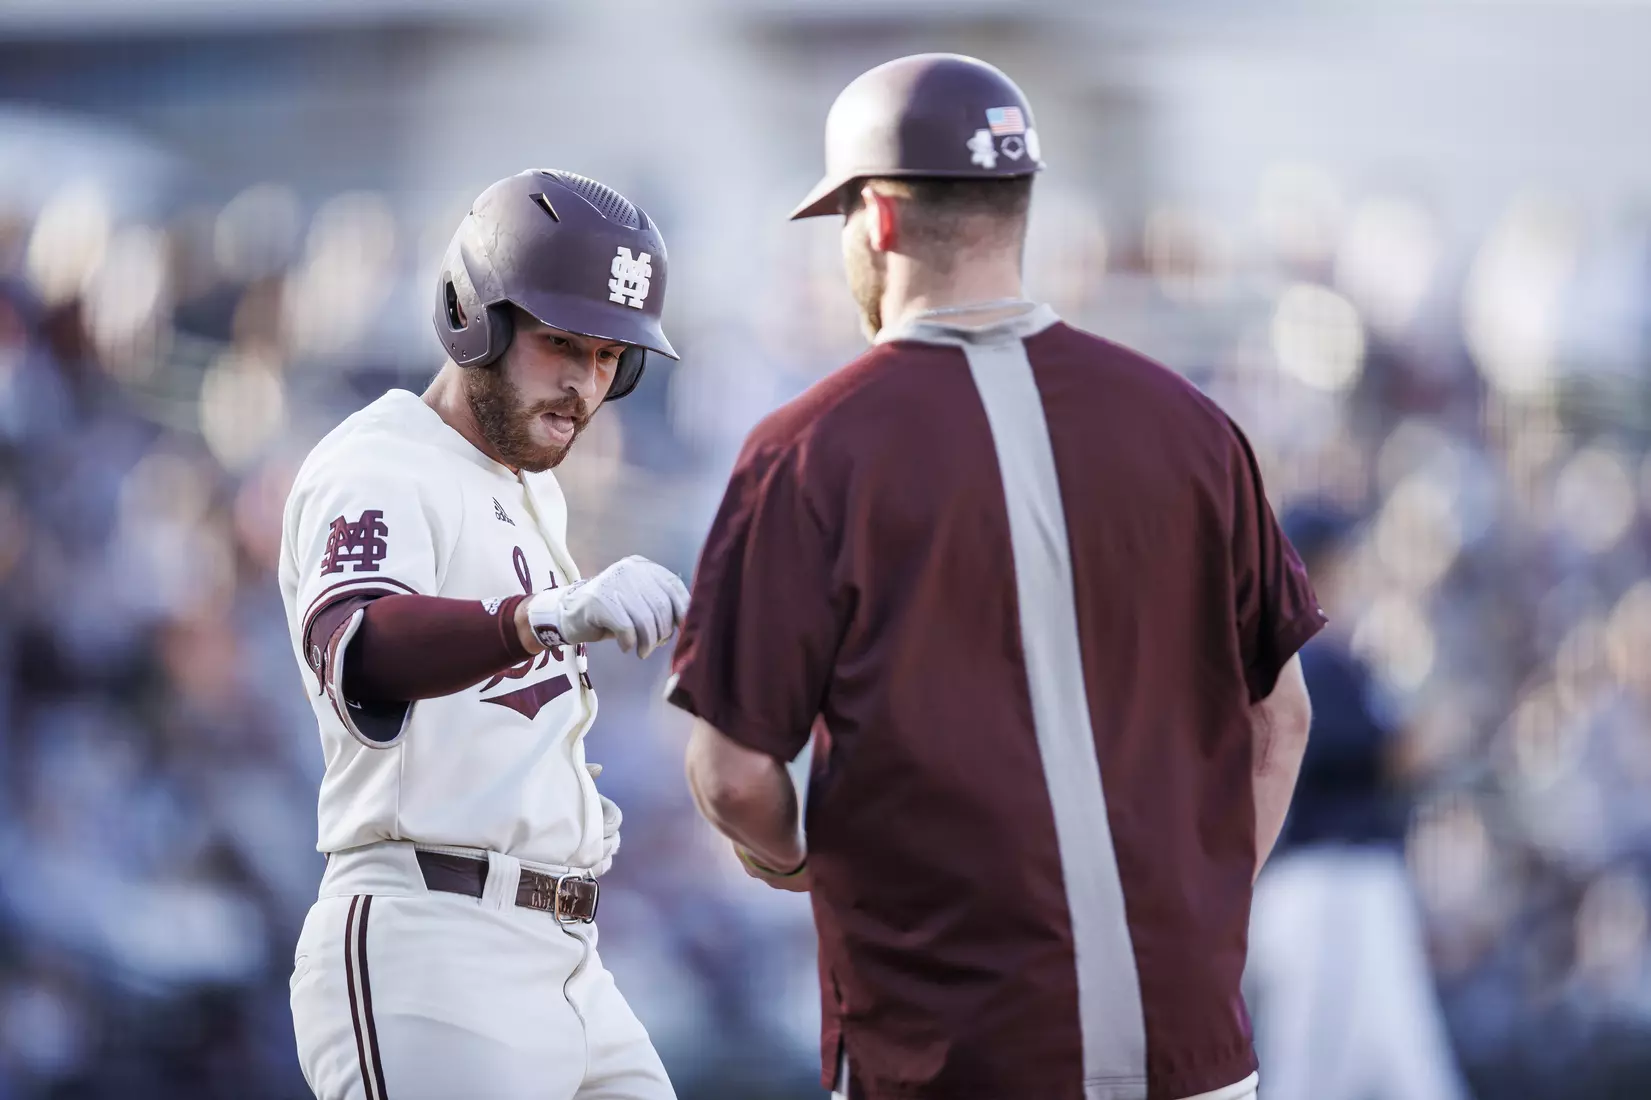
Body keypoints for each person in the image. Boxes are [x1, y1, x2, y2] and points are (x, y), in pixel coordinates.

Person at [666, 54, 1323, 1100]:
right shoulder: (1193, 426)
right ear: (1018, 203)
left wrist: (793, 860)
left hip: (947, 1055)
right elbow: (1279, 718)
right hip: (1190, 1047)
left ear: (875, 218)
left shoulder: (807, 448)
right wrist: (1194, 915)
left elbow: (735, 772)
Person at [279, 169, 689, 1100]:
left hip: (568, 956)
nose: (582, 382)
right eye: (559, 343)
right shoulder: (380, 460)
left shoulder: (523, 488)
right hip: (431, 940)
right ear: (476, 317)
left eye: (605, 357)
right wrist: (540, 618)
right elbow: (361, 643)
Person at [1245, 503, 1470, 1100]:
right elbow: (1386, 754)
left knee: (1395, 1068)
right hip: (1329, 887)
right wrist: (1432, 732)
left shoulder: (1327, 656)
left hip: (1342, 887)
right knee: (1325, 1075)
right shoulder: (1312, 658)